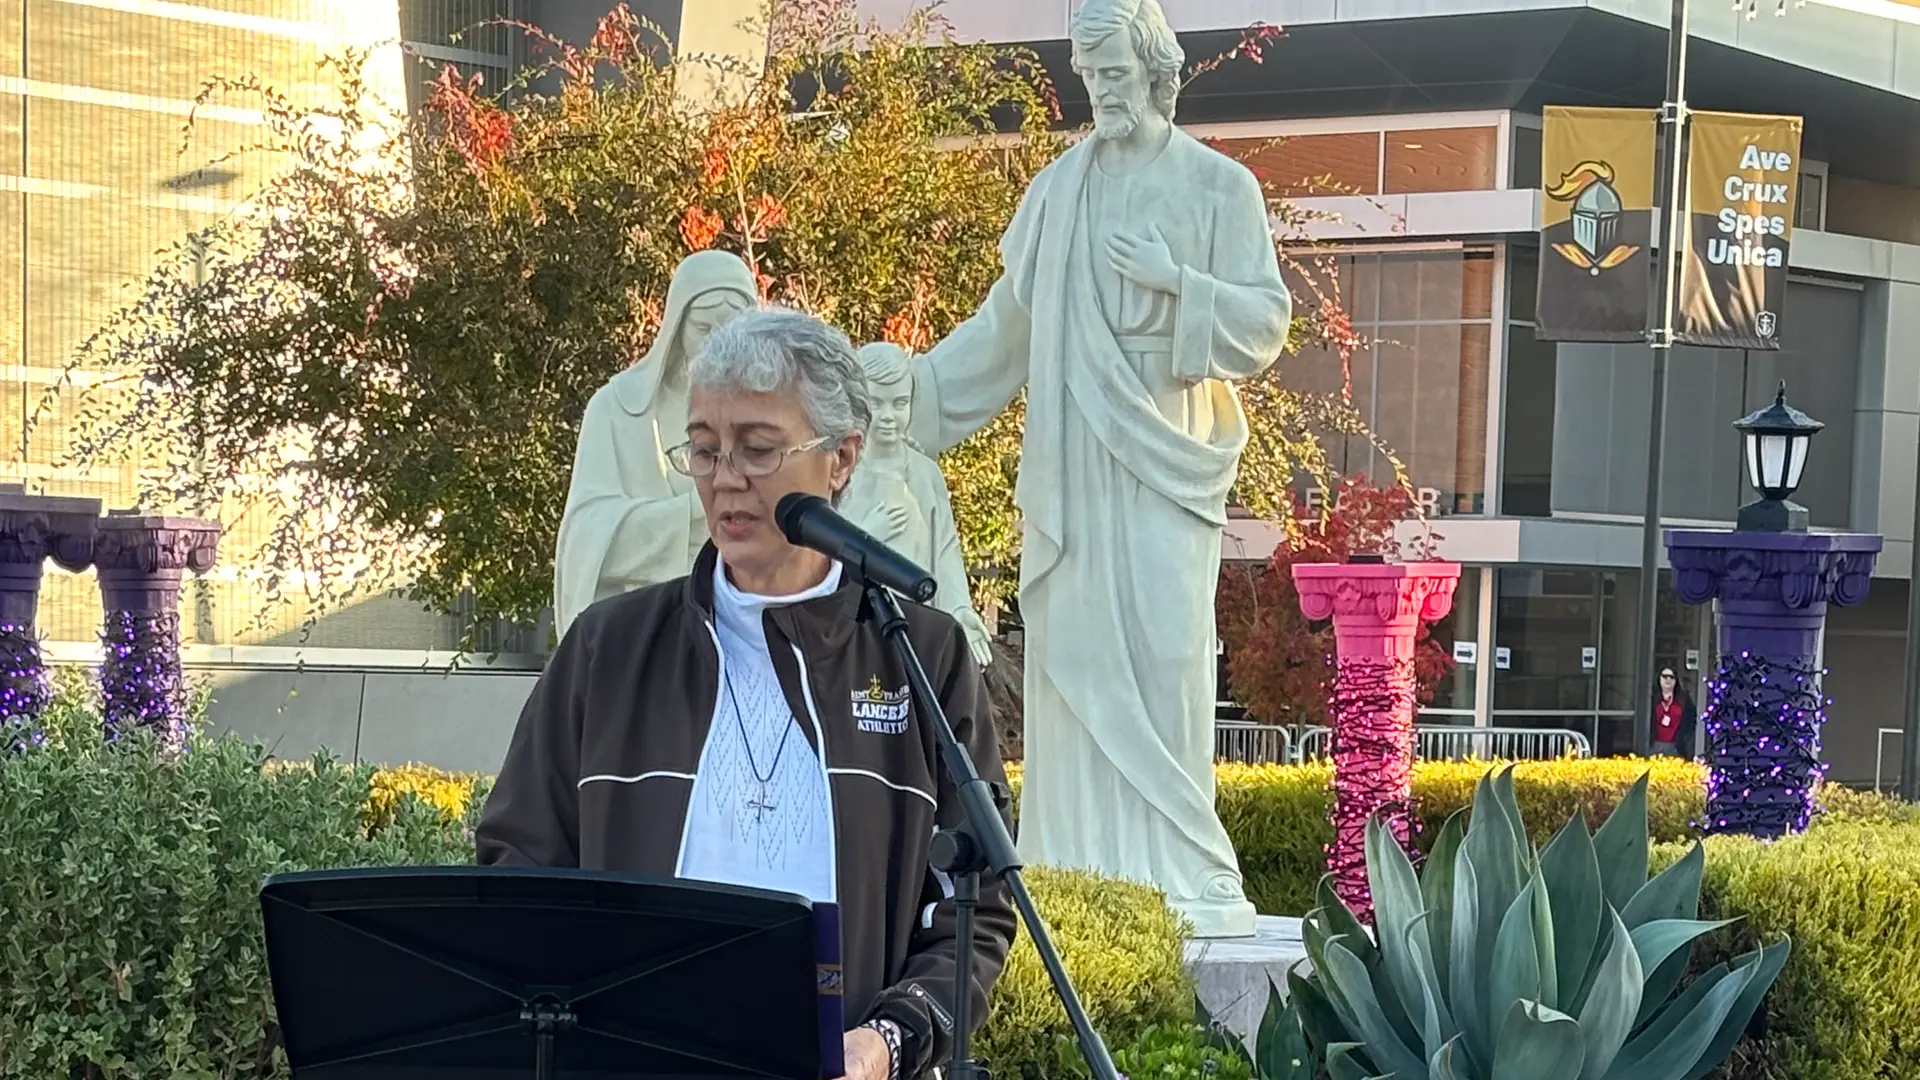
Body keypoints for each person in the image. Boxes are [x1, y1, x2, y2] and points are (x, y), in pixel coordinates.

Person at [478, 307, 1017, 1080]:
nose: (725, 478)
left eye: (758, 449)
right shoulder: (607, 650)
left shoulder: (919, 654)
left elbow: (976, 905)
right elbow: (518, 872)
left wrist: (887, 1041)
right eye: (704, 449)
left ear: (841, 459)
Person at [898, 0, 1291, 938]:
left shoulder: (1219, 188)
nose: (1101, 91)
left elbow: (1264, 325)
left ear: (1154, 68)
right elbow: (1006, 329)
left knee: (1167, 659)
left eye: (1115, 72)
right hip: (1073, 462)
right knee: (1070, 662)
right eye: (1089, 74)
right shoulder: (1059, 191)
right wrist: (912, 397)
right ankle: (1073, 866)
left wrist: (1176, 284)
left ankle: (1183, 869)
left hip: (1165, 462)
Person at [552, 250, 757, 637]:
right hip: (645, 630)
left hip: (744, 628)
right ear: (676, 325)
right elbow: (586, 541)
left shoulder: (773, 420)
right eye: (703, 328)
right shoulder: (617, 409)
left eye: (733, 329)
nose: (718, 345)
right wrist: (691, 513)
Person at [839, 341, 995, 668]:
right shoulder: (840, 470)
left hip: (919, 627)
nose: (888, 416)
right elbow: (818, 556)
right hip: (857, 631)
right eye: (876, 403)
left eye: (899, 403)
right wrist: (867, 539)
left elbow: (945, 549)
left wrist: (959, 609)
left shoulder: (925, 473)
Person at [1651, 666, 1698, 758]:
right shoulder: (1651, 698)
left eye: (1671, 677)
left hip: (1676, 747)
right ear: (1659, 678)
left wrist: (1684, 740)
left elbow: (1691, 721)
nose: (1668, 679)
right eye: (1665, 676)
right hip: (1654, 744)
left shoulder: (1684, 699)